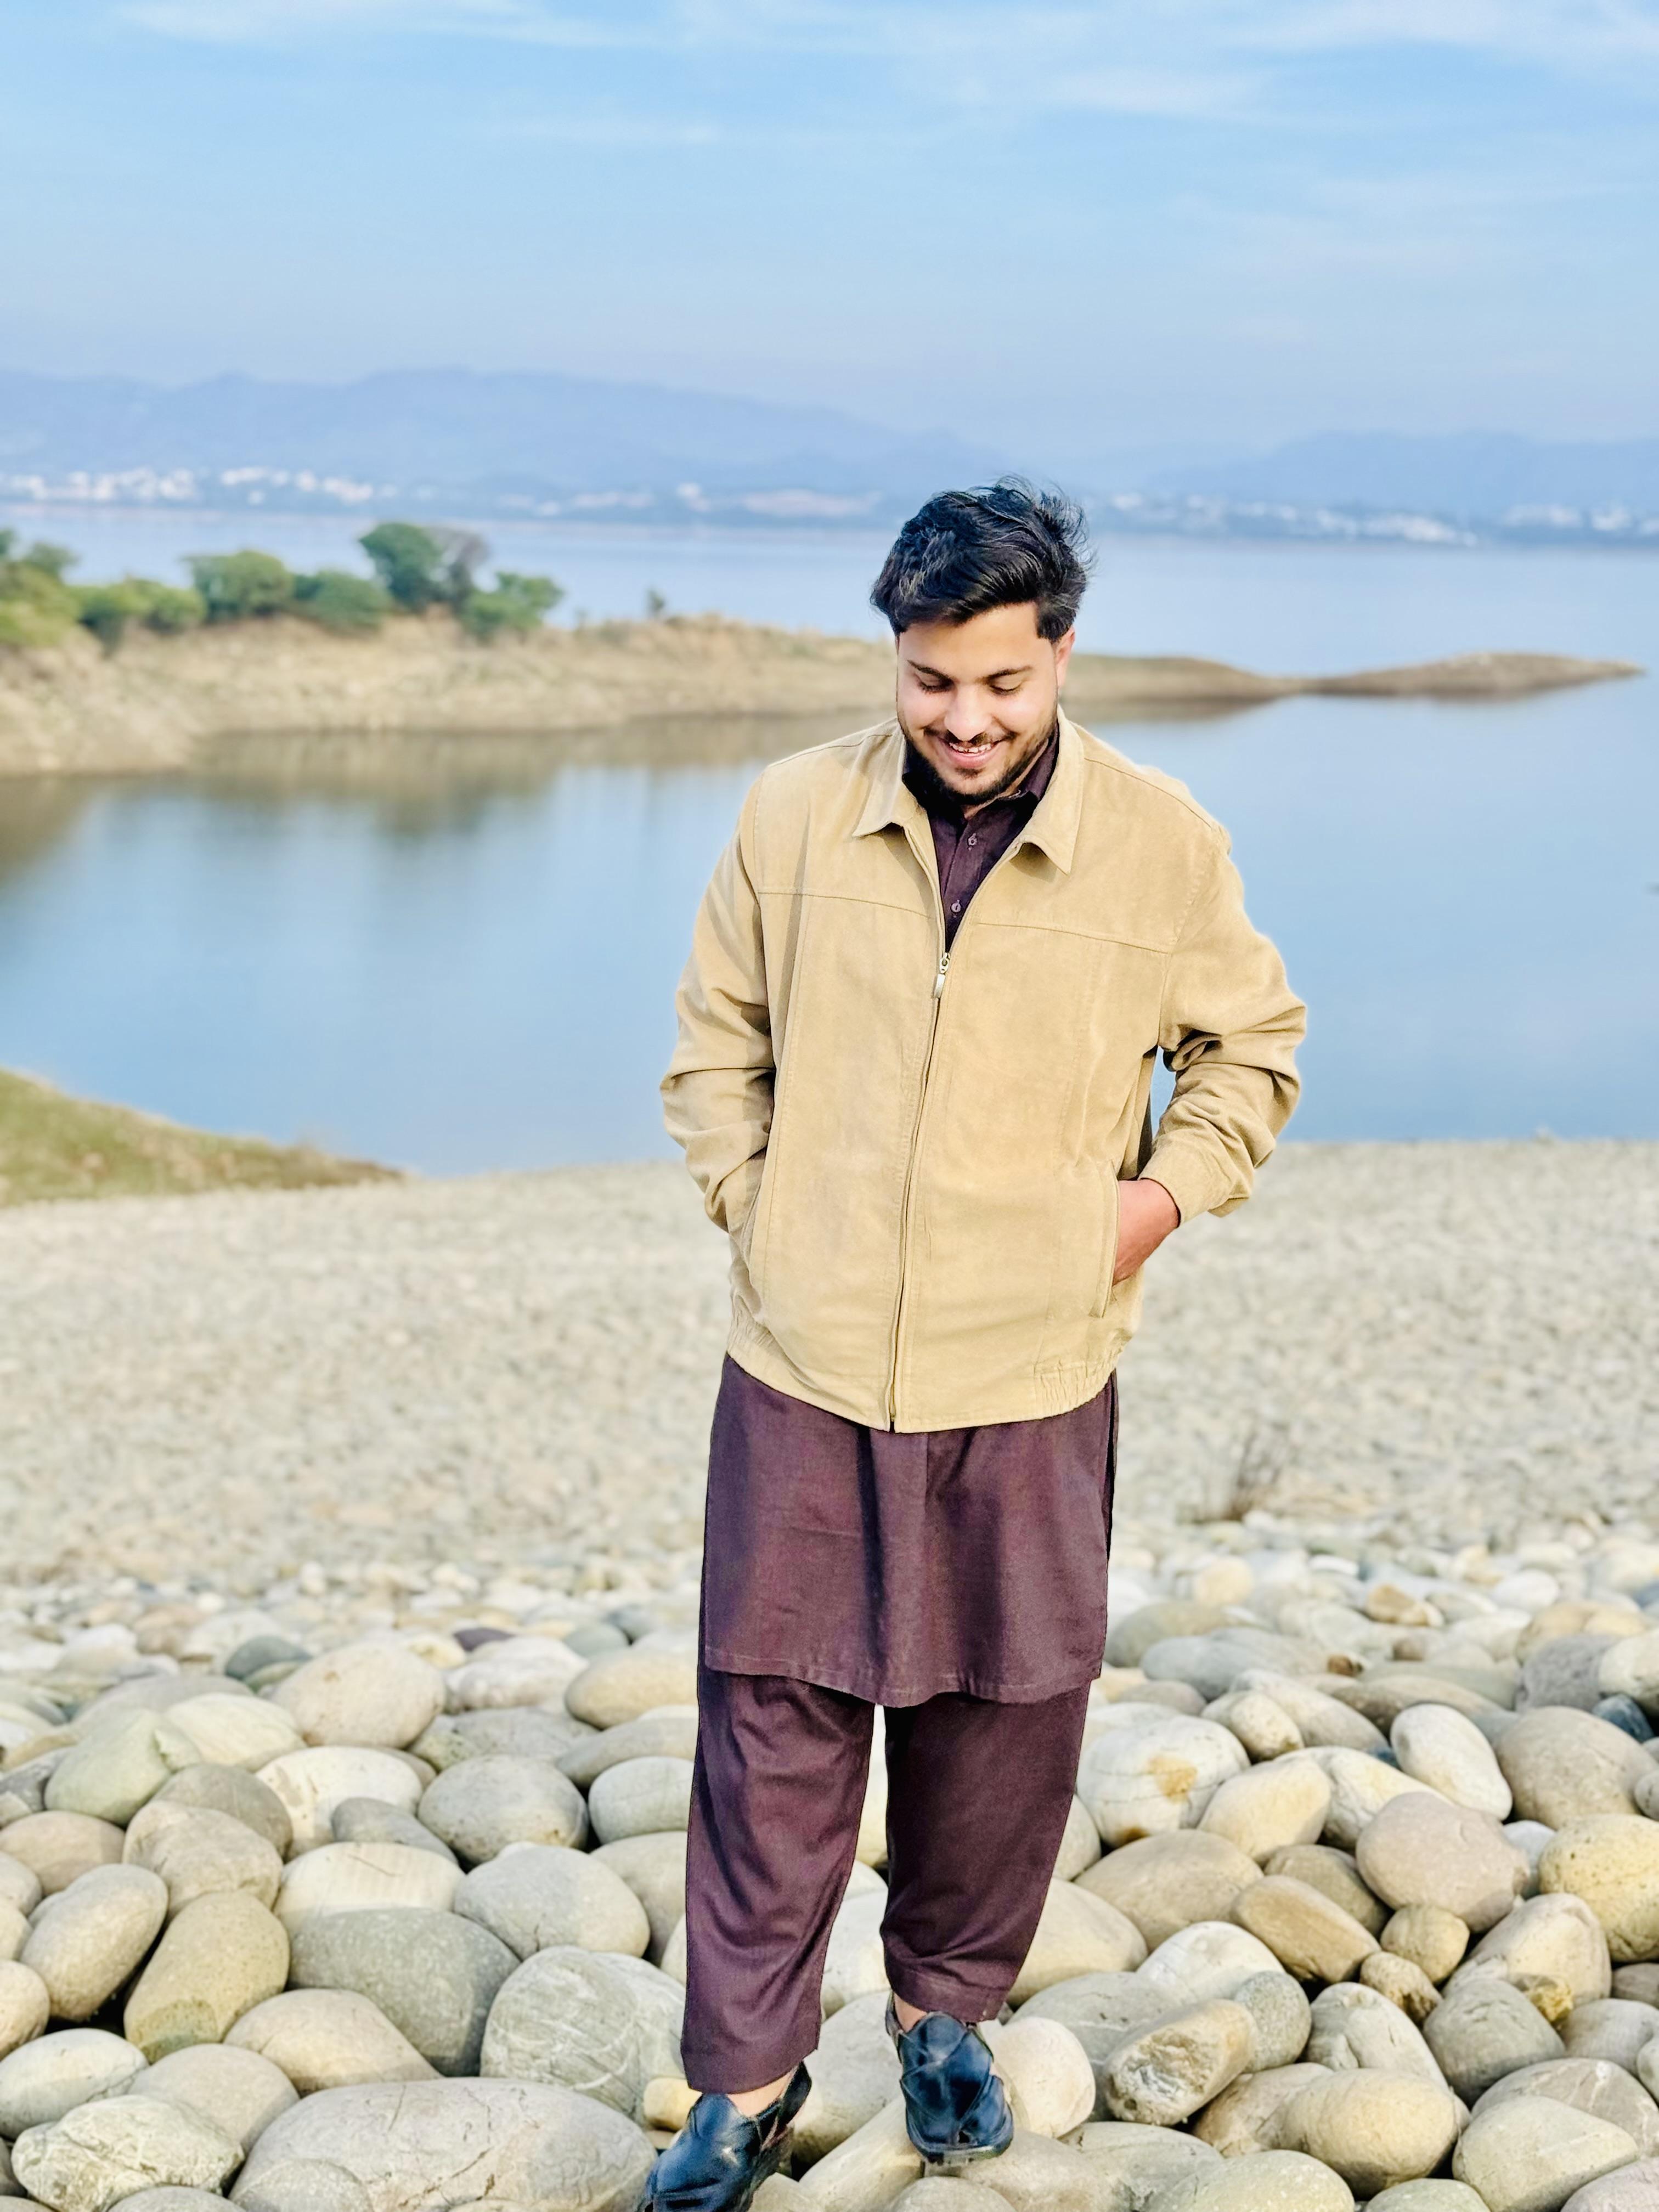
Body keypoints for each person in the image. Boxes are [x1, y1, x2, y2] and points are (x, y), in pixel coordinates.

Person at [649, 480, 1305, 2209]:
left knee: (1003, 1720)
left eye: (1001, 682)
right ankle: (743, 2084)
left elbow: (1253, 1053)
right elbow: (716, 1048)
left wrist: (1143, 1211)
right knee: (769, 1724)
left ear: (1062, 653)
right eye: (931, 680)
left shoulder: (1162, 843)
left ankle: (943, 2015)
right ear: (897, 657)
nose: (964, 717)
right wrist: (761, 1210)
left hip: (1033, 1365)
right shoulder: (792, 815)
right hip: (804, 1359)